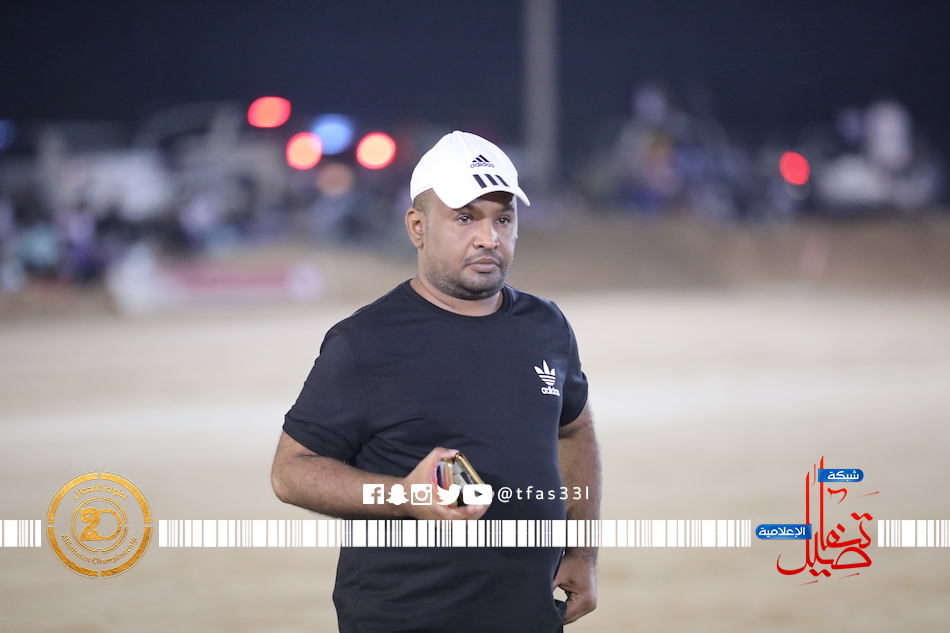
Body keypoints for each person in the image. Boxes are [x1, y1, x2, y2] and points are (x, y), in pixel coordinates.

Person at [271, 131, 601, 632]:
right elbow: (290, 473)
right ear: (418, 227)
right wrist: (404, 496)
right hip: (405, 617)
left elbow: (574, 430)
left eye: (503, 218)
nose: (489, 238)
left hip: (529, 614)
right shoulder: (364, 342)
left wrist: (581, 552)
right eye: (465, 218)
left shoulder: (546, 326)